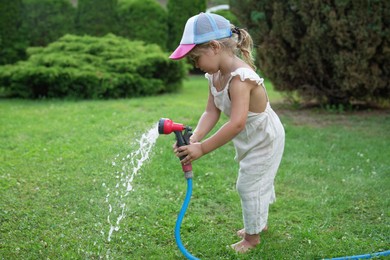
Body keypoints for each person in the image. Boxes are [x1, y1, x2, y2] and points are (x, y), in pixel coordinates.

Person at [169, 12, 285, 253]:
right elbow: (211, 112)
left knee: (249, 184)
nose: (195, 64)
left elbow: (236, 123)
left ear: (213, 47)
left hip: (265, 138)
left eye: (195, 58)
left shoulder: (240, 79)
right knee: (256, 179)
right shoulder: (214, 76)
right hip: (251, 138)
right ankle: (258, 223)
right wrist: (194, 137)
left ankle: (252, 239)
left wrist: (202, 148)